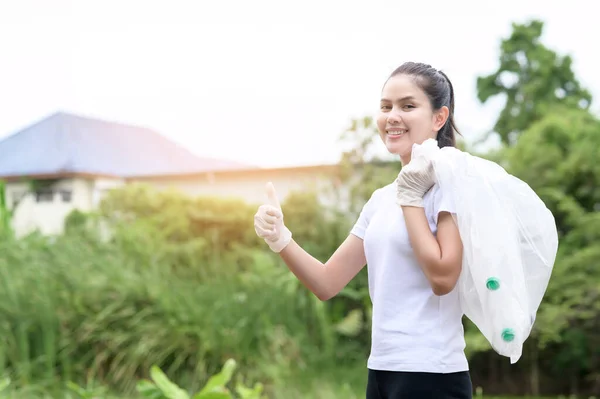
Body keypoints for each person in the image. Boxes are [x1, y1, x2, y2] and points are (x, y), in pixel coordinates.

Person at [253, 62, 473, 398]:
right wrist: (281, 238)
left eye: (408, 106)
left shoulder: (449, 188)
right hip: (382, 370)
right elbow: (327, 283)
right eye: (386, 107)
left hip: (432, 374)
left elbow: (443, 278)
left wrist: (411, 197)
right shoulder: (380, 201)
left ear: (438, 118)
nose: (392, 116)